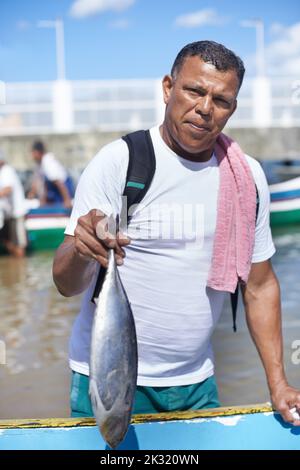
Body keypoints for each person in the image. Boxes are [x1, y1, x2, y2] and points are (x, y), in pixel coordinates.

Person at [53, 41, 300, 424]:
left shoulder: (247, 178)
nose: (205, 109)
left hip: (197, 385)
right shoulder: (120, 161)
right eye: (195, 91)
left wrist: (278, 382)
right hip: (107, 379)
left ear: (232, 108)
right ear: (169, 88)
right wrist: (82, 251)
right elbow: (66, 284)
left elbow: (260, 286)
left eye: (221, 100)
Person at [28, 141, 74, 208]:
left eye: (33, 152)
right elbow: (42, 184)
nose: (31, 155)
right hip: (54, 193)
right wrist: (42, 200)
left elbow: (59, 183)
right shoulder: (39, 164)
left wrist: (67, 200)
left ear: (38, 152)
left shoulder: (48, 162)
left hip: (62, 192)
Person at [0, 152, 27, 257]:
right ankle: (14, 269)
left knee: (19, 244)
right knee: (9, 243)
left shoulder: (6, 171)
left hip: (17, 213)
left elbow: (8, 189)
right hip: (8, 214)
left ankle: (20, 269)